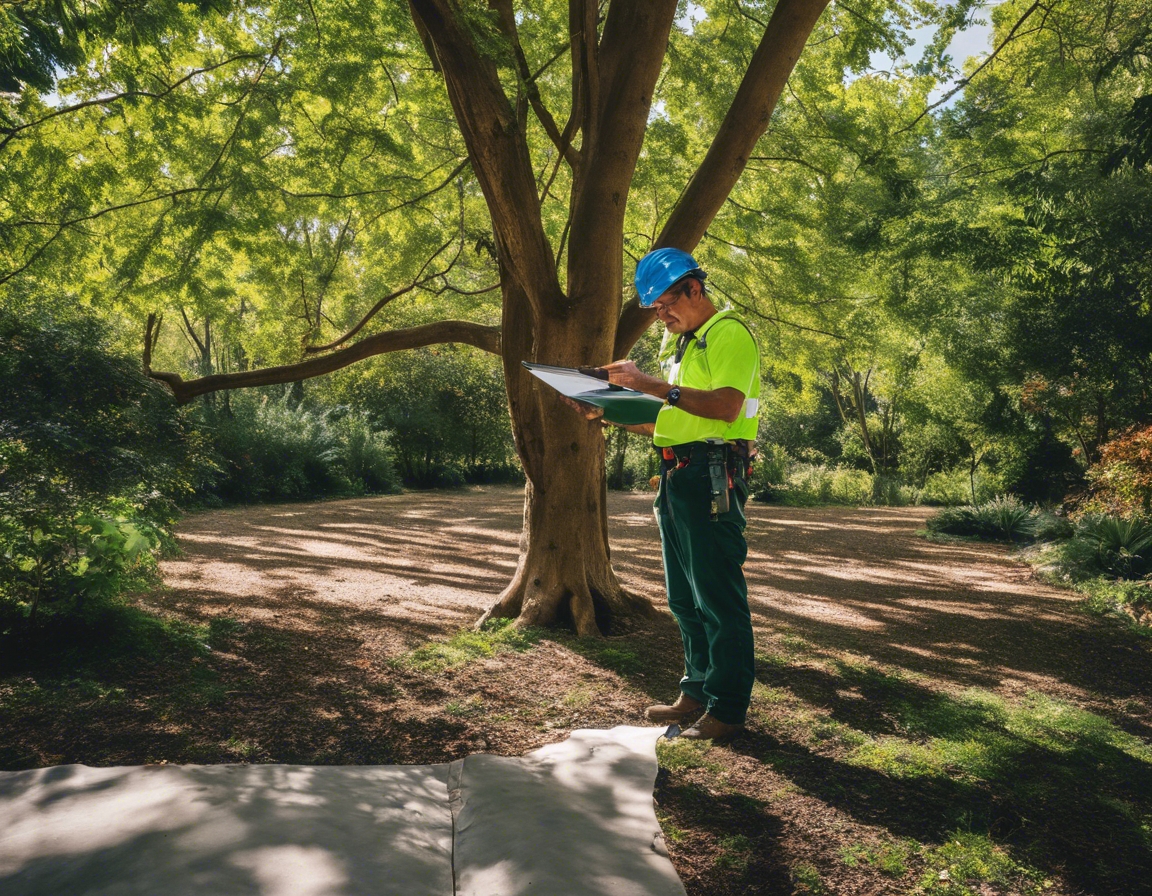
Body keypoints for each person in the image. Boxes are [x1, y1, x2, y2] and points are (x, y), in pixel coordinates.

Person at [580, 248, 760, 744]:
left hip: (712, 475)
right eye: (656, 310)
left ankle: (727, 708)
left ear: (694, 289)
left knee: (718, 596)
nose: (661, 316)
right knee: (684, 597)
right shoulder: (683, 347)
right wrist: (605, 410)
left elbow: (726, 406)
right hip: (677, 475)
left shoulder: (729, 333)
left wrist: (649, 384)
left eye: (664, 305)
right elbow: (668, 422)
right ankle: (696, 690)